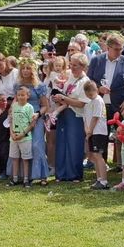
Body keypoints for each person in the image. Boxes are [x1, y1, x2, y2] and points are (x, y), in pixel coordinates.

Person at [87, 33, 124, 168]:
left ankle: (123, 164)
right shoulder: (96, 60)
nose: (119, 52)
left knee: (121, 134)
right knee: (101, 134)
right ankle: (102, 163)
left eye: (121, 49)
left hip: (119, 104)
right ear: (108, 47)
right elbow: (89, 80)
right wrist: (98, 88)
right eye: (116, 49)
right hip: (100, 103)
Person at [53, 53, 92, 182]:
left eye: (75, 65)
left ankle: (74, 174)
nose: (72, 67)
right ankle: (61, 173)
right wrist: (58, 96)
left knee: (74, 144)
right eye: (71, 64)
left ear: (83, 66)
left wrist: (64, 98)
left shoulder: (85, 81)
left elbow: (82, 102)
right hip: (64, 113)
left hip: (76, 115)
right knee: (62, 142)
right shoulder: (70, 77)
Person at [17, 59, 51, 185]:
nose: (25, 71)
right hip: (22, 118)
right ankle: (25, 175)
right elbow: (16, 102)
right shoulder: (18, 85)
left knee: (37, 145)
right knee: (24, 145)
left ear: (33, 70)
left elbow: (45, 105)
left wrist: (38, 114)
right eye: (23, 68)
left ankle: (42, 175)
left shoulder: (39, 86)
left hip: (37, 118)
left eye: (28, 68)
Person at [82, 80, 111, 190]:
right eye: (88, 94)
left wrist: (90, 130)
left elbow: (96, 117)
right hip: (91, 132)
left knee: (98, 155)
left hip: (99, 132)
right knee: (94, 156)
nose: (90, 95)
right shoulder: (88, 103)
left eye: (92, 93)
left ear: (96, 90)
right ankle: (99, 179)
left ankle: (104, 181)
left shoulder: (98, 100)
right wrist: (87, 130)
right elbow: (85, 119)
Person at [8, 86, 38, 188]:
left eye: (23, 95)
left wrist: (22, 134)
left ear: (27, 96)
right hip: (13, 138)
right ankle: (15, 178)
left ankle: (26, 179)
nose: (21, 97)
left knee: (25, 159)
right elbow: (10, 121)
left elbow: (32, 124)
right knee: (15, 158)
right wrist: (12, 133)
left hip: (25, 138)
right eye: (19, 95)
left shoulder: (29, 107)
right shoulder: (14, 106)